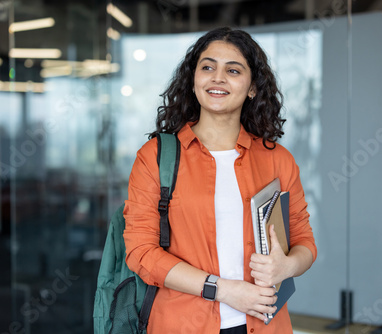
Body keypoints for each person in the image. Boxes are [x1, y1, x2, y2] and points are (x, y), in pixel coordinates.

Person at [123, 26, 317, 334]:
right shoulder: (156, 157)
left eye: (234, 70)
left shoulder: (277, 159)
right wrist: (223, 290)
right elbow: (140, 252)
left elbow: (304, 240)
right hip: (182, 325)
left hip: (264, 325)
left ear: (252, 87)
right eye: (208, 67)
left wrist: (288, 266)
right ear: (193, 80)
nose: (218, 77)